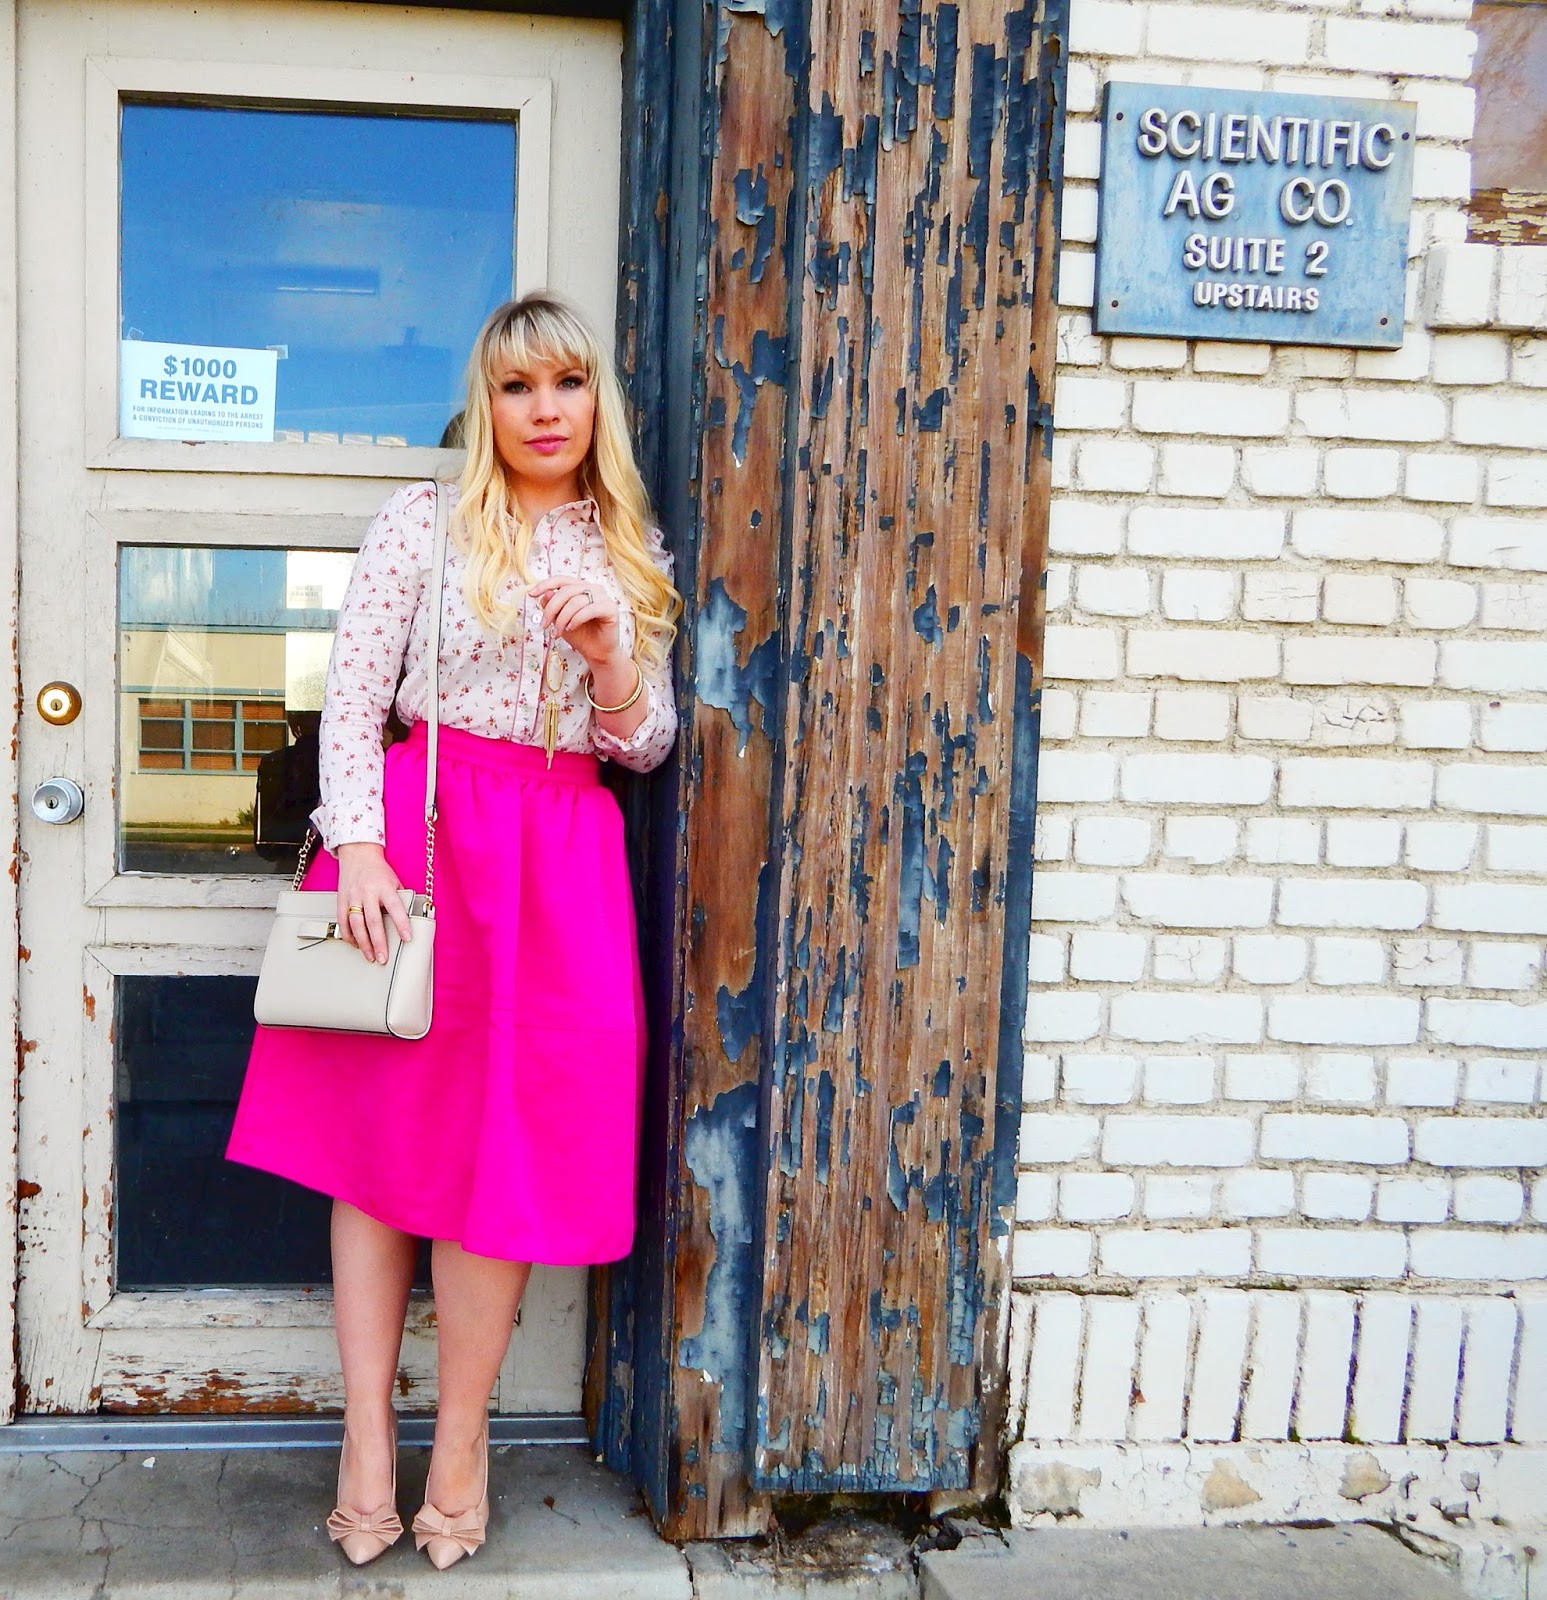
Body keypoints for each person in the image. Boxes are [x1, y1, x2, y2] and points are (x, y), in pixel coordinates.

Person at [225, 291, 682, 1570]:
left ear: (596, 403)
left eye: (566, 385)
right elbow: (354, 692)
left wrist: (606, 657)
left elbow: (643, 745)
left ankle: (464, 1439)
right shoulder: (423, 526)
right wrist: (356, 842)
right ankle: (366, 1439)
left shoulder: (627, 545)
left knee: (512, 1157)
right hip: (422, 846)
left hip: (562, 858)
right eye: (517, 388)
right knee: (381, 1152)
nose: (544, 411)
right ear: (486, 405)